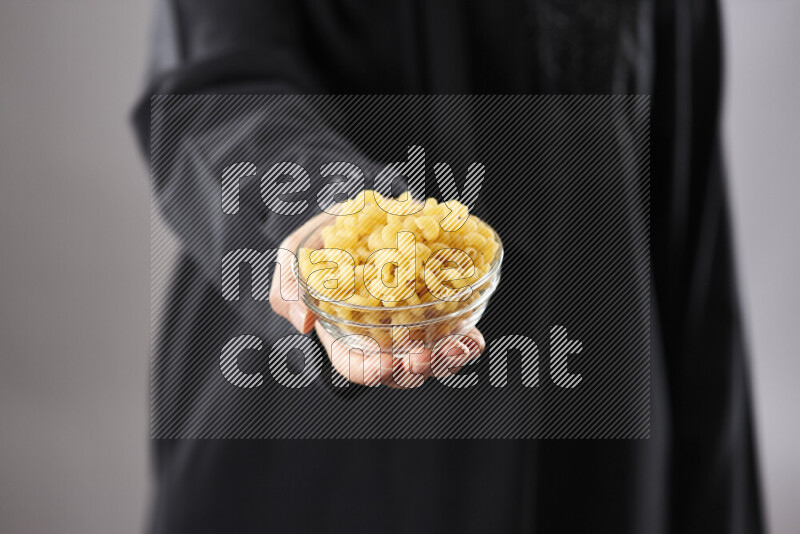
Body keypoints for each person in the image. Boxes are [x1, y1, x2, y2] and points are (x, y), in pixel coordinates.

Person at [133, 0, 764, 532]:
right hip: (321, 456)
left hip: (595, 458)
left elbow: (689, 238)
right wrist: (333, 221)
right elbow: (215, 79)